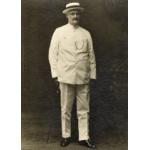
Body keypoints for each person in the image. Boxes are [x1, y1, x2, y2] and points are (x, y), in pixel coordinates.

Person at [48, 1, 96, 149]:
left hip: (83, 76)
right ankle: (66, 136)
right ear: (67, 15)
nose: (75, 16)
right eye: (72, 13)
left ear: (79, 15)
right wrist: (55, 75)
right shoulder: (59, 32)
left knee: (84, 109)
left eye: (77, 13)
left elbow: (91, 55)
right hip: (65, 76)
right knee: (66, 108)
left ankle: (84, 137)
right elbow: (52, 54)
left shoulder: (86, 33)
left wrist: (92, 76)